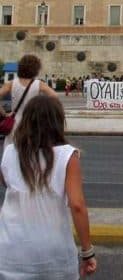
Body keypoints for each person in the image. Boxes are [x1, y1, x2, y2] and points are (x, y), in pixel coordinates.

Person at [0, 95, 97, 279]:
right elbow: (77, 205)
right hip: (53, 253)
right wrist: (87, 252)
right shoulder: (67, 156)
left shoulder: (10, 151)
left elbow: (8, 181)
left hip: (10, 251)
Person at [0, 54, 57, 148]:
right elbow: (54, 97)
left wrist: (4, 113)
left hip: (14, 123)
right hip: (33, 123)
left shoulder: (11, 83)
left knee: (12, 153)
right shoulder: (39, 84)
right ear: (36, 69)